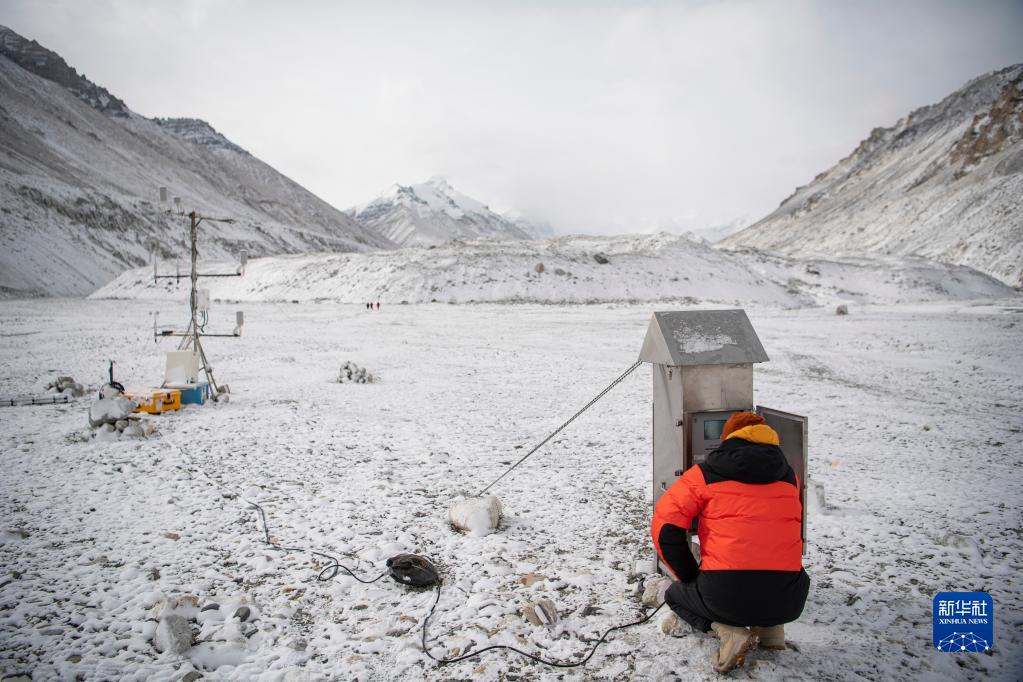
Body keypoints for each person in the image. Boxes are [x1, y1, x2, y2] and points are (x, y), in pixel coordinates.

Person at [650, 411, 809, 674]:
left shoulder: (704, 473)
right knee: (766, 571)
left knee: (674, 595)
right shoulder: (790, 476)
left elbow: (666, 529)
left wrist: (689, 576)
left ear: (728, 438)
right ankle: (770, 632)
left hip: (725, 596)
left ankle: (728, 631)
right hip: (789, 599)